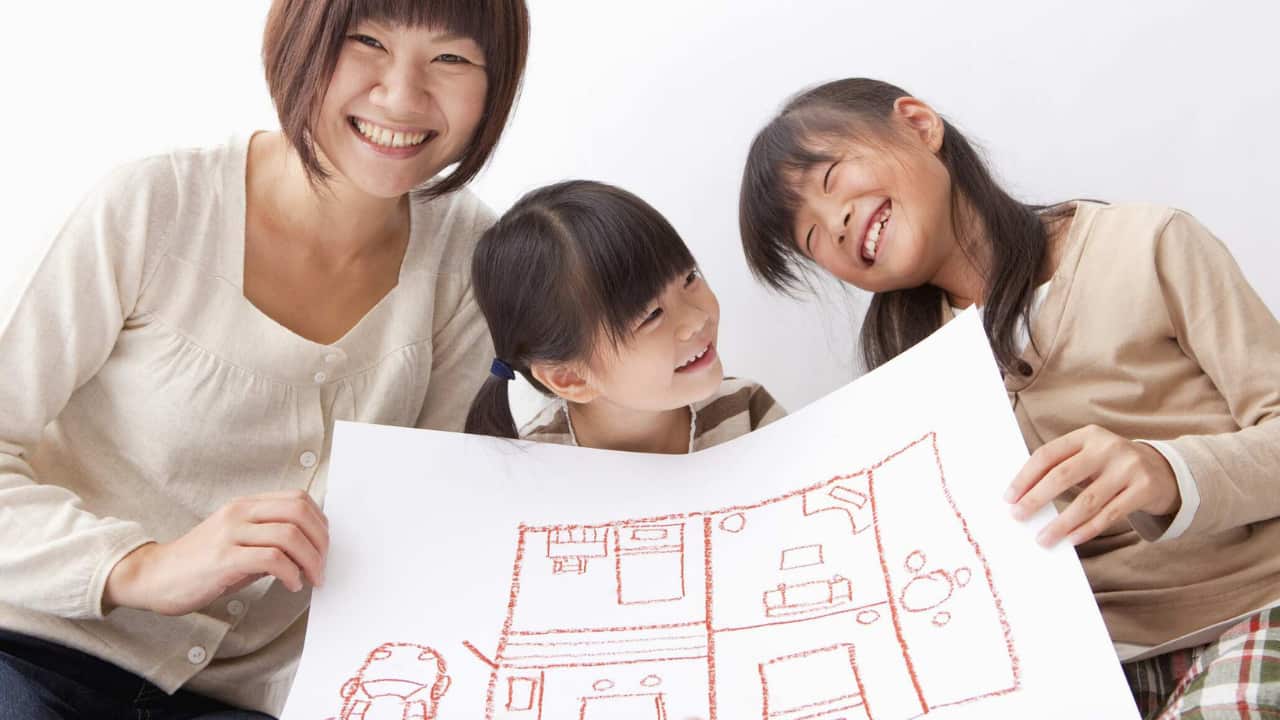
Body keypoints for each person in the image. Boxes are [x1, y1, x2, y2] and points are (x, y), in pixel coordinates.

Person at [0, 1, 529, 717]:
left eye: (452, 58)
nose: (403, 95)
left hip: (263, 699)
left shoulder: (470, 257)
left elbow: (424, 518)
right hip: (37, 653)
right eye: (366, 41)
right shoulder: (154, 205)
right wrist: (140, 568)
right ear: (298, 44)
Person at [738, 77, 1280, 718]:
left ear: (917, 125)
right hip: (1087, 660)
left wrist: (1165, 470)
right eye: (812, 239)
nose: (837, 225)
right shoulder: (905, 371)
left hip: (1252, 605)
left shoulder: (1147, 243)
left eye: (832, 183)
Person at [465, 180, 784, 453]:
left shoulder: (747, 413)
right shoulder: (537, 475)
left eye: (689, 278)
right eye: (652, 316)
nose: (696, 319)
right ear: (571, 377)